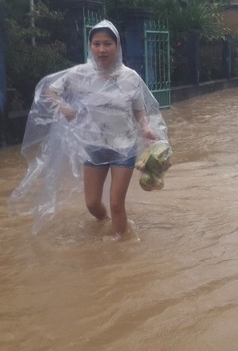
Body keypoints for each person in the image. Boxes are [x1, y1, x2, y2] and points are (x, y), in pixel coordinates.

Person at [9, 19, 169, 240]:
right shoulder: (79, 74)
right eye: (96, 44)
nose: (102, 49)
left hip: (124, 147)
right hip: (93, 147)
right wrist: (64, 109)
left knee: (116, 204)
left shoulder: (130, 77)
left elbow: (139, 110)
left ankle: (117, 249)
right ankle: (105, 225)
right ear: (90, 46)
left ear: (117, 46)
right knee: (92, 204)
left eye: (107, 44)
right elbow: (50, 91)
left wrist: (146, 128)